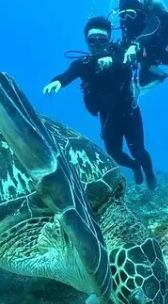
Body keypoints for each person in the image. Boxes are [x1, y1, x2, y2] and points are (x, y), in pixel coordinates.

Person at [43, 16, 157, 189]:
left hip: (129, 112)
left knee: (138, 150)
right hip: (107, 116)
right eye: (92, 41)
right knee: (114, 155)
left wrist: (114, 61)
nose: (97, 45)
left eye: (102, 40)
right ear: (87, 42)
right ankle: (134, 166)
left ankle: (149, 174)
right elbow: (68, 74)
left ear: (109, 39)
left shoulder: (121, 53)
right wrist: (58, 82)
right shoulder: (83, 64)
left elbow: (128, 62)